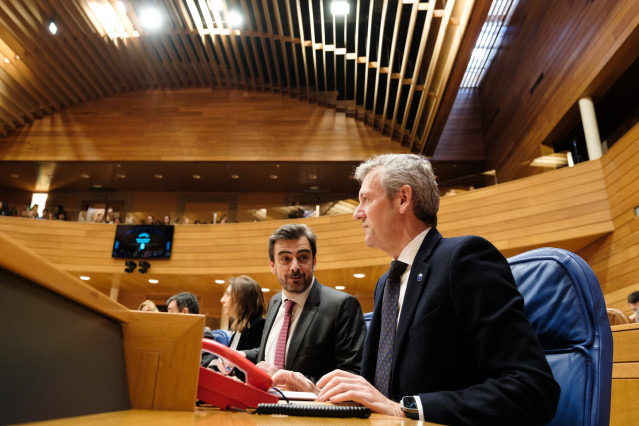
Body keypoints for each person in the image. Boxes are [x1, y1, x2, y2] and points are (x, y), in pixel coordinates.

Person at [274, 154, 560, 425]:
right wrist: (316, 392)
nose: (357, 214)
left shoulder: (464, 259)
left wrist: (406, 408)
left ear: (402, 199)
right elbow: (375, 392)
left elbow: (533, 389)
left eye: (366, 200)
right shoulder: (386, 283)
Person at [239, 223, 366, 383]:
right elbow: (275, 352)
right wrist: (241, 355)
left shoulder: (342, 306)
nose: (295, 267)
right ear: (272, 265)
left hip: (311, 406)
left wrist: (289, 382)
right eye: (285, 259)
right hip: (265, 402)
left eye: (303, 257)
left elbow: (352, 376)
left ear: (314, 261)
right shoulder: (275, 302)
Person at [205, 275, 266, 374]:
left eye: (228, 294)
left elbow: (255, 365)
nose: (222, 300)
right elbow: (229, 367)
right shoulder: (238, 331)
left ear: (242, 299)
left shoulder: (259, 326)